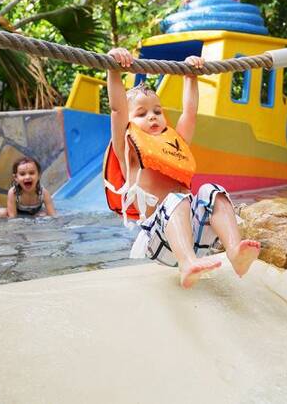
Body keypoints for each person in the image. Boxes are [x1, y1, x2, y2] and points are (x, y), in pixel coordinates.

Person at [104, 47, 260, 288]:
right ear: (129, 121)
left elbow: (190, 113)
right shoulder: (128, 150)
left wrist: (191, 76)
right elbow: (116, 110)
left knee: (212, 191)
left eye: (157, 111)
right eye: (142, 113)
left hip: (195, 235)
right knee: (176, 199)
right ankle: (187, 264)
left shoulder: (174, 143)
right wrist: (114, 70)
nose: (153, 117)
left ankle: (234, 251)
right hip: (160, 240)